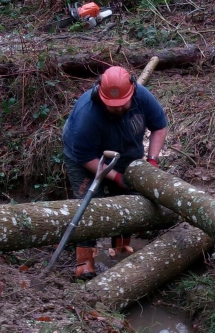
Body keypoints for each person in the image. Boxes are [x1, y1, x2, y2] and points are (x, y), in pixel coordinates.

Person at [62, 65, 168, 278]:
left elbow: (159, 126)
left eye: (122, 104)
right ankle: (85, 262)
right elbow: (84, 156)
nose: (118, 108)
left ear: (132, 92)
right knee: (90, 205)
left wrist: (152, 160)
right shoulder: (87, 114)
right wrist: (114, 176)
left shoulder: (142, 97)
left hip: (126, 154)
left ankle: (120, 249)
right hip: (86, 159)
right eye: (112, 106)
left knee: (129, 202)